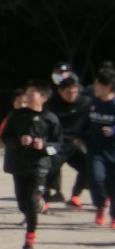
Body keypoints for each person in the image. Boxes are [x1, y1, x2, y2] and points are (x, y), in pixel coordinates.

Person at [1, 82, 62, 249]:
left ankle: (29, 243)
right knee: (23, 204)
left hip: (39, 166)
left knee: (30, 202)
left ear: (43, 98)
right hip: (18, 165)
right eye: (26, 93)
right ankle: (37, 204)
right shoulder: (16, 115)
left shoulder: (51, 118)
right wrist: (19, 141)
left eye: (32, 94)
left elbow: (58, 144)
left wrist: (44, 146)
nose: (27, 97)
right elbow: (5, 137)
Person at [75, 67, 115, 226]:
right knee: (96, 179)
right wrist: (79, 136)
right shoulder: (93, 103)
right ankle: (101, 205)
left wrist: (112, 130)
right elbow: (85, 122)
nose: (95, 87)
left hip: (112, 151)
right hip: (95, 150)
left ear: (108, 86)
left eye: (98, 84)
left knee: (112, 184)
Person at [45, 75, 89, 206]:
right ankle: (45, 198)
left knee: (87, 167)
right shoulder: (51, 104)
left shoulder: (85, 102)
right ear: (60, 91)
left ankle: (75, 196)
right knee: (50, 169)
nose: (72, 95)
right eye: (69, 92)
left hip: (74, 144)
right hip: (57, 144)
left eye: (75, 92)